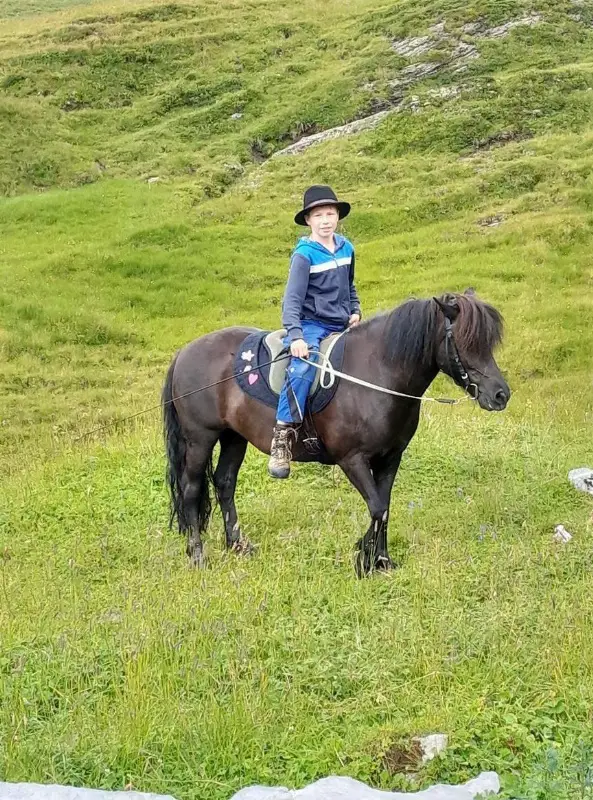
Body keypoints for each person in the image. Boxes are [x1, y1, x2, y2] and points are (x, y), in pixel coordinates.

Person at [268, 185, 362, 479]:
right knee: (303, 367)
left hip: (342, 322)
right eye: (319, 215)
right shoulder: (304, 255)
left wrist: (355, 310)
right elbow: (291, 301)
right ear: (308, 220)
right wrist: (296, 336)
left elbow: (350, 286)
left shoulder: (347, 248)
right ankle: (282, 438)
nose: (325, 220)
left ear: (338, 217)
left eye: (330, 213)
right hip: (311, 325)